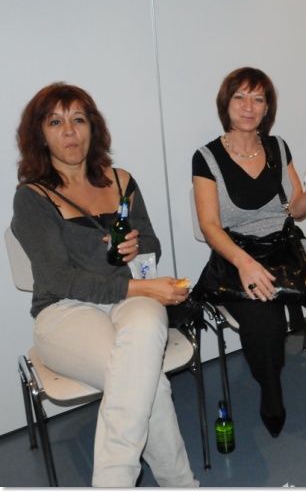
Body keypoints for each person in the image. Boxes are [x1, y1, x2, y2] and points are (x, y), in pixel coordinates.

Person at [11, 83, 198, 487]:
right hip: (64, 309)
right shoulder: (31, 197)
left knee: (140, 357)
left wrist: (135, 246)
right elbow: (59, 278)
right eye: (55, 122)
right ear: (39, 134)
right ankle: (178, 485)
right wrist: (143, 289)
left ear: (92, 128)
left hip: (130, 298)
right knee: (147, 383)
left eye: (78, 119)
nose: (69, 131)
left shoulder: (121, 180)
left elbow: (152, 243)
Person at [192, 67, 306, 440]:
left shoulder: (278, 147)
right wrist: (244, 264)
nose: (249, 106)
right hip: (238, 255)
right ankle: (271, 396)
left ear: (267, 108)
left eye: (258, 99)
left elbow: (296, 210)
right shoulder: (206, 157)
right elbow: (210, 226)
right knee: (265, 327)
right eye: (240, 97)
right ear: (226, 104)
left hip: (286, 245)